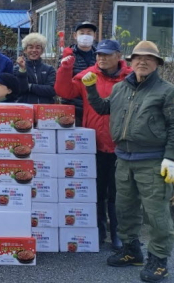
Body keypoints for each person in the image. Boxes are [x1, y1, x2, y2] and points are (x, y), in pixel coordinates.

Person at [83, 41, 174, 282]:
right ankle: (131, 251)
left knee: (156, 214)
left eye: (148, 58)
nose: (142, 62)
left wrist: (171, 158)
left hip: (153, 161)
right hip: (123, 158)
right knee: (125, 209)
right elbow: (104, 109)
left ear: (157, 63)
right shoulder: (121, 88)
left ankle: (158, 261)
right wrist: (92, 90)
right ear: (130, 61)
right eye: (137, 58)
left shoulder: (167, 91)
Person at [55, 39, 131, 250]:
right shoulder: (89, 75)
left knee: (119, 193)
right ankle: (98, 232)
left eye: (107, 55)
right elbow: (65, 91)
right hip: (94, 145)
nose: (102, 58)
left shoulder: (131, 77)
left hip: (122, 144)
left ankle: (119, 234)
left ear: (118, 56)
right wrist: (65, 67)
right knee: (96, 191)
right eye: (99, 55)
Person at [59, 21, 98, 126]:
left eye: (89, 33)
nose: (85, 36)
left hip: (95, 107)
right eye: (82, 33)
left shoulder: (100, 56)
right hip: (72, 107)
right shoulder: (67, 56)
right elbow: (62, 83)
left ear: (94, 36)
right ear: (75, 36)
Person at [14, 33, 56, 104]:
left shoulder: (49, 69)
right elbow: (19, 90)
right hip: (25, 109)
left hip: (46, 110)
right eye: (30, 47)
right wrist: (22, 70)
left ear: (42, 51)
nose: (34, 50)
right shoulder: (17, 69)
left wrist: (30, 86)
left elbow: (52, 90)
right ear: (25, 50)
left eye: (38, 47)